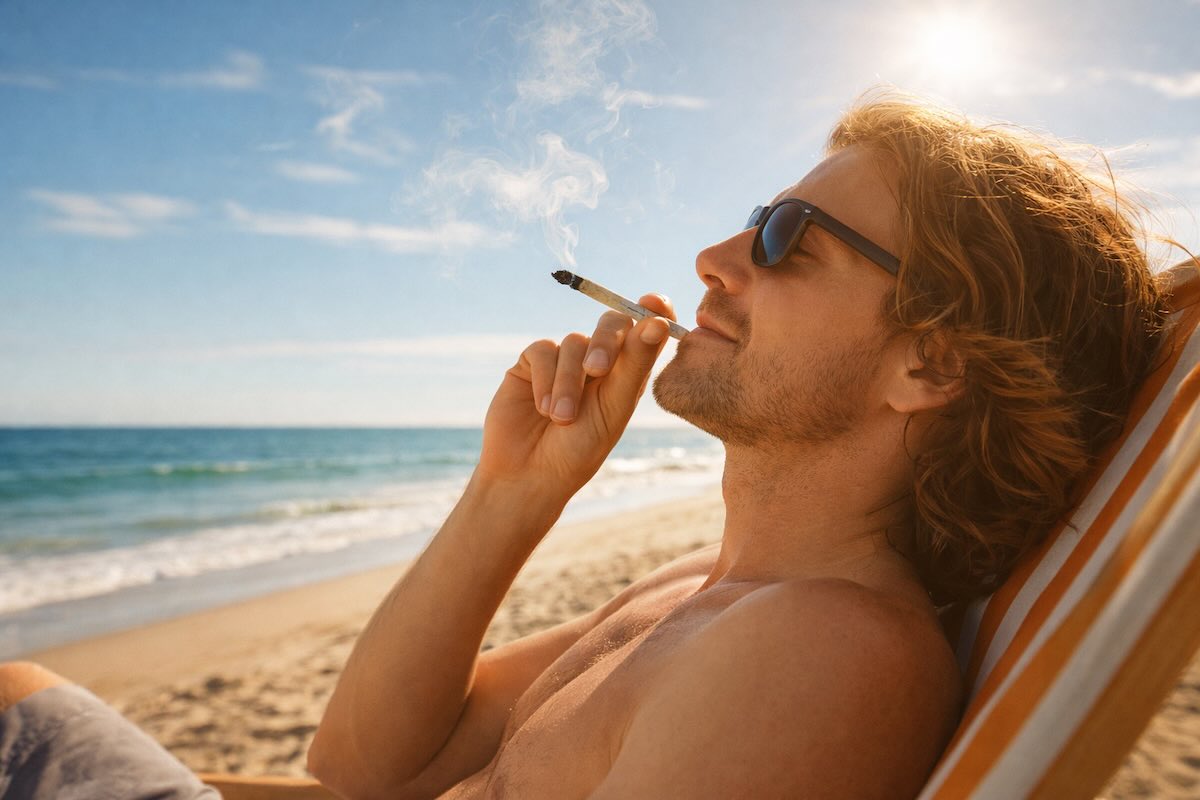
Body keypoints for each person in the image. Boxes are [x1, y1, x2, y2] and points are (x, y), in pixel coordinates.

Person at [0, 93, 1169, 799]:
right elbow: (359, 762)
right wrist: (512, 497)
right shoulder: (710, 592)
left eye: (786, 235)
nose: (717, 254)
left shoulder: (830, 649)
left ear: (932, 364)